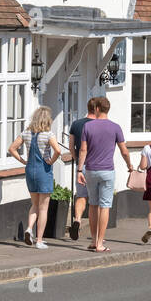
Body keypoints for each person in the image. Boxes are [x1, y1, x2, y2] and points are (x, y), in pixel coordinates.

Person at [75, 97, 133, 252]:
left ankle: (94, 241)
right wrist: (130, 166)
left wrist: (80, 170)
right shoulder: (115, 127)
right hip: (107, 170)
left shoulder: (88, 127)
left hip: (91, 170)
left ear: (97, 109)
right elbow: (124, 151)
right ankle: (100, 243)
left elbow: (82, 150)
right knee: (105, 206)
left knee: (93, 205)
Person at [8, 106, 66, 249]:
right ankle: (39, 240)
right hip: (43, 171)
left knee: (34, 204)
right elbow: (58, 150)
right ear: (47, 120)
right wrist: (51, 161)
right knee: (43, 208)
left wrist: (22, 161)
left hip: (30, 171)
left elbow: (11, 149)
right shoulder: (48, 134)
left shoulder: (26, 133)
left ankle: (29, 229)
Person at [66, 98, 99, 241]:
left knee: (81, 196)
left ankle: (78, 220)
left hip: (82, 166)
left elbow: (71, 146)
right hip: (97, 165)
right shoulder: (99, 125)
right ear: (97, 109)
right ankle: (96, 235)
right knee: (95, 202)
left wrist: (77, 161)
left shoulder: (76, 124)